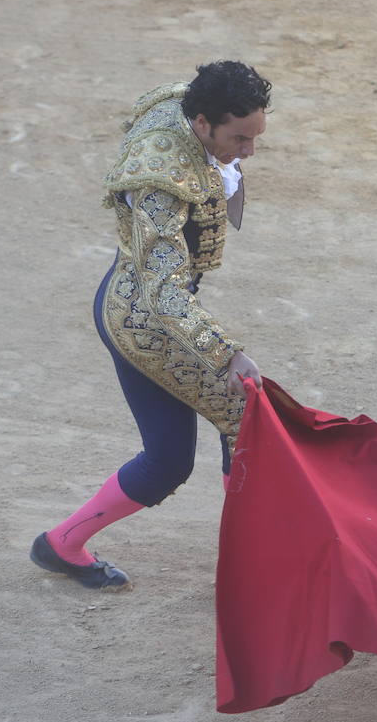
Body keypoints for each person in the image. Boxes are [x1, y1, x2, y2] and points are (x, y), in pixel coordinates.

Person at [30, 60, 271, 590]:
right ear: (203, 124)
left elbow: (163, 98)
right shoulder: (161, 185)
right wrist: (226, 353)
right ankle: (251, 579)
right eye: (240, 138)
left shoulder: (182, 103)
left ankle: (60, 545)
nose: (249, 151)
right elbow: (164, 293)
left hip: (137, 301)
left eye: (255, 136)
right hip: (147, 322)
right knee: (245, 416)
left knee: (168, 461)